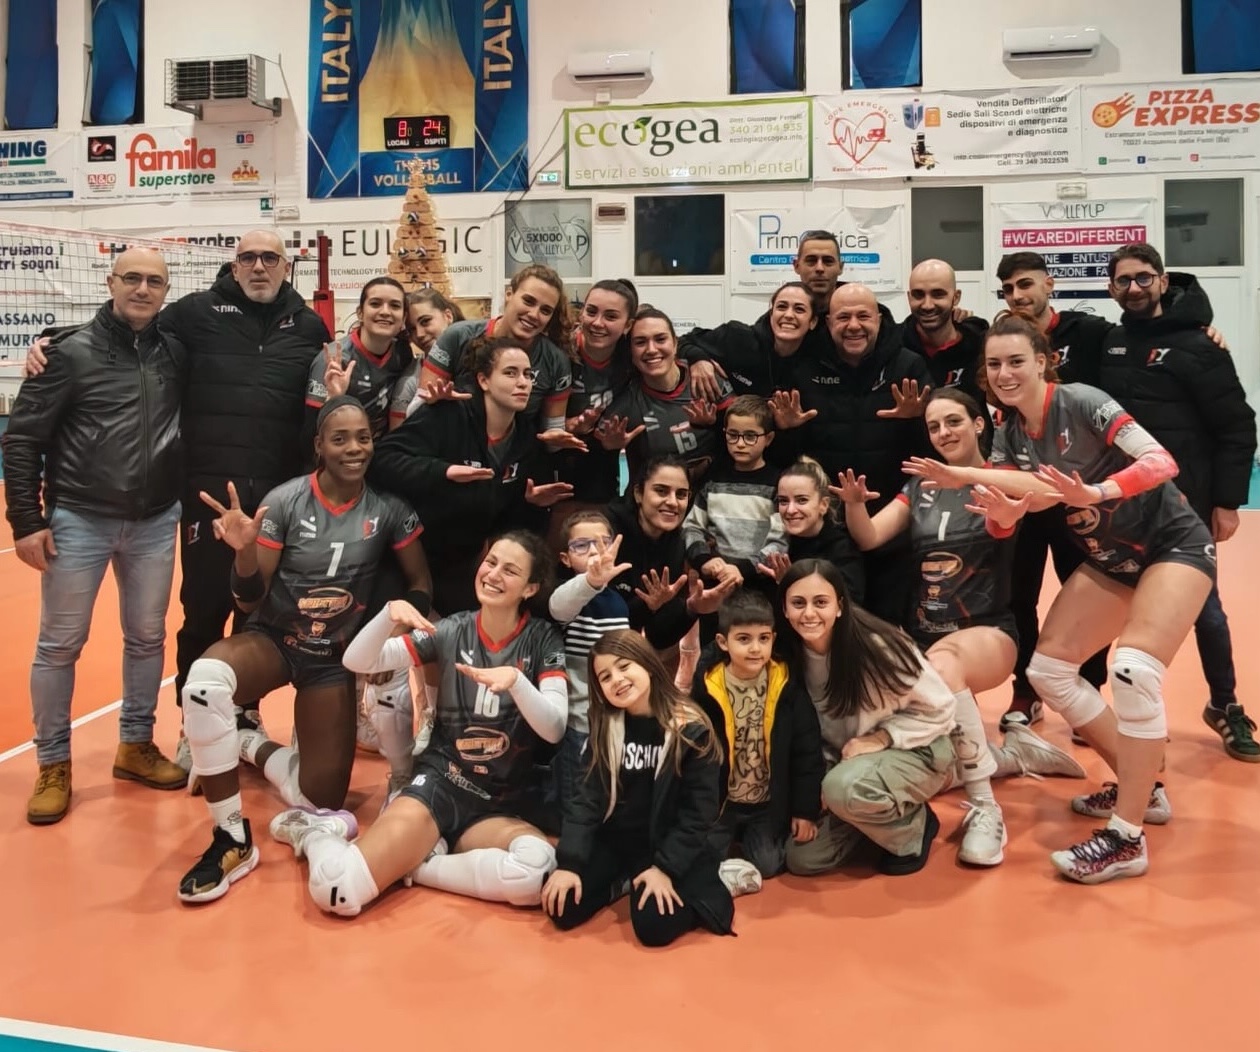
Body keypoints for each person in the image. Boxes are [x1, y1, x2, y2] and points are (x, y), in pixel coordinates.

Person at [905, 313, 1218, 883]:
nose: (1004, 373)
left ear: (1043, 362)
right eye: (994, 364)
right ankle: (1142, 787)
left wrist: (1096, 491)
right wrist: (1003, 514)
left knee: (1132, 669)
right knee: (1048, 670)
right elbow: (1021, 507)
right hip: (1113, 559)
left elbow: (1160, 462)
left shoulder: (1082, 401)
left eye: (1016, 361)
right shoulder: (1010, 433)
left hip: (1173, 545)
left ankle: (1127, 839)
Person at [23, 230, 330, 752]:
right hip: (205, 498)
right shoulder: (195, 312)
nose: (258, 266)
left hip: (275, 501)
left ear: (286, 266)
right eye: (248, 258)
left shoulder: (307, 326)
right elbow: (128, 329)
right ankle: (196, 727)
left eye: (269, 258)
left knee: (258, 615)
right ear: (234, 266)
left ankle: (245, 713)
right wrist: (54, 338)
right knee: (204, 610)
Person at [177, 398, 427, 903]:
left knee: (321, 803)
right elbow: (248, 600)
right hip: (275, 639)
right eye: (340, 438)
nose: (353, 448)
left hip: (332, 660)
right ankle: (231, 838)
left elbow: (420, 582)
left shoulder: (389, 510)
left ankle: (247, 743)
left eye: (363, 437)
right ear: (319, 445)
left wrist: (399, 627)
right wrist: (245, 552)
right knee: (203, 685)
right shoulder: (286, 502)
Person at [836, 388, 1085, 866]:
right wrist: (853, 505)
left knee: (944, 665)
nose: (943, 433)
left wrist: (988, 494)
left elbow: (1047, 491)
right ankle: (1014, 756)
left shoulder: (997, 478)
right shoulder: (920, 487)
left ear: (978, 424)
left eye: (953, 421)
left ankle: (986, 810)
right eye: (933, 426)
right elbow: (869, 537)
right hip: (923, 634)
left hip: (988, 634)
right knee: (904, 711)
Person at [268, 532, 568, 917]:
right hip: (442, 786)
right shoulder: (451, 630)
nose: (493, 574)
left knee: (537, 870)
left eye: (510, 571)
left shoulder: (542, 640)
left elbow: (554, 728)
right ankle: (316, 832)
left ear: (530, 588)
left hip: (500, 804)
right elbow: (357, 662)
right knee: (337, 890)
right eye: (491, 562)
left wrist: (517, 682)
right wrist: (387, 616)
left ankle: (420, 865)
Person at [993, 250, 1223, 728]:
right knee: (1024, 602)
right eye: (1008, 288)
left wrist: (1194, 330)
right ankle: (1032, 694)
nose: (1005, 372)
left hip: (1119, 503)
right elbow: (1004, 513)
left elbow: (1146, 333)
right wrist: (997, 506)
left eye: (1025, 284)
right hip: (1060, 499)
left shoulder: (1091, 338)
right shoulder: (1006, 424)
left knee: (1140, 661)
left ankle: (1218, 704)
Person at [3, 247, 189, 824]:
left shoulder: (175, 352)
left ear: (166, 291)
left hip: (155, 520)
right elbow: (22, 439)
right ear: (111, 282)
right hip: (79, 520)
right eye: (131, 278)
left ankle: (135, 745)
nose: (142, 288)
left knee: (147, 637)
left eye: (154, 281)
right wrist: (26, 522)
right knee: (59, 645)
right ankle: (53, 763)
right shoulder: (68, 353)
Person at [1099, 244, 1257, 762]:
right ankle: (1103, 711)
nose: (1134, 288)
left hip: (1185, 507)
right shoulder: (1111, 342)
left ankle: (1225, 705)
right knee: (1109, 605)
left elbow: (1237, 426)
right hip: (1123, 505)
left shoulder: (1199, 345)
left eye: (1144, 278)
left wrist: (1228, 502)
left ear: (1164, 281)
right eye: (1124, 281)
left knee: (1204, 611)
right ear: (1111, 289)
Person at [543, 630, 750, 946]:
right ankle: (621, 881)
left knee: (655, 926)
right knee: (562, 904)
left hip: (666, 844)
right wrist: (569, 863)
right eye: (605, 676)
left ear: (648, 665)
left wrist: (665, 869)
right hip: (617, 841)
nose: (617, 679)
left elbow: (698, 814)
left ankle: (723, 877)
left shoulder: (690, 729)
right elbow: (586, 800)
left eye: (624, 666)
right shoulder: (605, 727)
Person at [369, 337, 573, 615]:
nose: (523, 383)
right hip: (410, 554)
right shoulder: (447, 414)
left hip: (465, 563)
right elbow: (382, 461)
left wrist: (533, 505)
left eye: (528, 375)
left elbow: (511, 519)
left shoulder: (526, 437)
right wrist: (443, 471)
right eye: (510, 373)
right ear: (484, 381)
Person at [778, 559, 956, 877]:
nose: (809, 614)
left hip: (917, 749)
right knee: (802, 859)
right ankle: (867, 816)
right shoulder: (787, 655)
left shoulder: (877, 647)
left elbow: (942, 706)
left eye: (821, 602)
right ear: (784, 609)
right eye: (798, 603)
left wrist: (881, 738)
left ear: (840, 606)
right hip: (846, 764)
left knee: (842, 789)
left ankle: (913, 828)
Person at [770, 283, 933, 624]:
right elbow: (787, 460)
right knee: (829, 625)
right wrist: (787, 430)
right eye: (843, 317)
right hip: (827, 533)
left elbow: (931, 454)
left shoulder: (908, 366)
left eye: (863, 316)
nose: (854, 325)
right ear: (828, 322)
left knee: (887, 628)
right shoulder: (803, 368)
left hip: (891, 526)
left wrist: (915, 421)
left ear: (879, 319)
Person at [691, 590, 823, 878]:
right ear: (723, 642)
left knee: (768, 866)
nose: (755, 648)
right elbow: (692, 754)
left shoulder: (786, 685)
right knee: (700, 862)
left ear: (773, 639)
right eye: (744, 639)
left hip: (765, 805)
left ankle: (747, 841)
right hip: (722, 804)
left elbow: (807, 751)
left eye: (763, 638)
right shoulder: (708, 689)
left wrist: (805, 810)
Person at [603, 454, 740, 658]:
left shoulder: (677, 542)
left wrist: (692, 609)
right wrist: (647, 605)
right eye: (661, 491)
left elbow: (659, 636)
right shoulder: (606, 530)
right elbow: (600, 617)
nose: (673, 502)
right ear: (638, 493)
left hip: (624, 650)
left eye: (681, 494)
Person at [417, 264, 573, 431]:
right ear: (509, 295)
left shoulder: (555, 360)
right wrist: (433, 404)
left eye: (546, 310)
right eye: (528, 301)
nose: (534, 315)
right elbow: (416, 411)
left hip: (517, 447)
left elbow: (553, 431)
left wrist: (558, 437)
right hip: (453, 442)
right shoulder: (457, 337)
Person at [548, 511, 632, 806]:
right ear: (565, 558)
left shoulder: (619, 600)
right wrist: (591, 581)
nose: (595, 551)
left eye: (602, 543)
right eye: (582, 545)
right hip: (581, 724)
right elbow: (558, 606)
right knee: (578, 801)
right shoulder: (570, 598)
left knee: (614, 798)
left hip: (617, 720)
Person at [597, 307, 734, 485]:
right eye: (640, 342)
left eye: (660, 339)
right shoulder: (625, 403)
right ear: (630, 351)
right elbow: (596, 450)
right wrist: (608, 446)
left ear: (676, 344)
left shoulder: (705, 377)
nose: (651, 349)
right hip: (657, 497)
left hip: (714, 492)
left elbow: (745, 427)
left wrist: (714, 423)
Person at [682, 395, 786, 595]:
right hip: (715, 584)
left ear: (769, 439)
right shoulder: (713, 481)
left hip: (760, 588)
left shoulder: (778, 484)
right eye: (733, 435)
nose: (740, 443)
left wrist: (745, 568)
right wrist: (704, 560)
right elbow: (691, 527)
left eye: (750, 436)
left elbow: (780, 541)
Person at [304, 277, 410, 449]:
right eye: (375, 304)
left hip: (383, 452)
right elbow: (311, 434)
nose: (385, 312)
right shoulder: (333, 359)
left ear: (404, 317)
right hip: (342, 456)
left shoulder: (403, 353)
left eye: (395, 306)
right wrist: (333, 400)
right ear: (360, 313)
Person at [678, 280, 820, 398]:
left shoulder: (819, 361)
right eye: (781, 307)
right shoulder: (736, 338)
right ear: (771, 314)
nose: (788, 315)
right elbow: (681, 342)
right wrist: (697, 359)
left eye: (799, 309)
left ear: (813, 321)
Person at [765, 456, 864, 603]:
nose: (790, 510)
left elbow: (848, 604)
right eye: (783, 501)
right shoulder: (777, 542)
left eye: (801, 500)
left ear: (823, 505)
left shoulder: (841, 548)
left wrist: (792, 583)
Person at [389, 289, 464, 428]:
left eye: (425, 322)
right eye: (411, 329)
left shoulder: (478, 357)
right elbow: (396, 437)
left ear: (448, 316)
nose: (419, 334)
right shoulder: (409, 382)